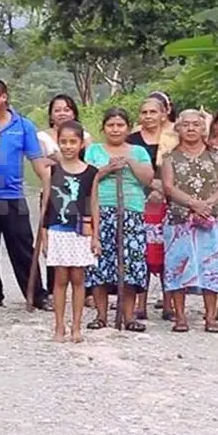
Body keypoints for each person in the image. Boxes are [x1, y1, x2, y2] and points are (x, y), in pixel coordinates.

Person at [0, 79, 51, 309]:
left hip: (13, 196)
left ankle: (36, 294)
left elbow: (37, 161)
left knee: (22, 247)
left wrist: (49, 186)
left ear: (3, 97)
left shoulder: (23, 126)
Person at [84, 107, 154, 332]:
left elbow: (148, 179)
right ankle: (101, 315)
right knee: (100, 263)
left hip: (132, 210)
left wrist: (130, 163)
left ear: (128, 127)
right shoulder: (93, 150)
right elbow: (86, 178)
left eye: (120, 125)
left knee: (131, 263)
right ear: (103, 128)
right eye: (111, 125)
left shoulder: (139, 151)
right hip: (102, 209)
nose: (115, 129)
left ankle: (129, 316)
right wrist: (106, 170)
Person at [162, 110, 218, 333]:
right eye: (185, 125)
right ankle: (180, 317)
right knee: (177, 266)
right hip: (179, 220)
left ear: (204, 129)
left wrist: (207, 205)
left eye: (196, 125)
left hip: (211, 219)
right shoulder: (169, 157)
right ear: (178, 129)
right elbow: (169, 187)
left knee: (211, 266)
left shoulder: (216, 155)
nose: (191, 128)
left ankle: (211, 317)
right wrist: (194, 204)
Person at [39, 121, 98, 342]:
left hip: (82, 230)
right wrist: (44, 235)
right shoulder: (52, 170)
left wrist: (96, 236)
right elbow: (46, 205)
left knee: (78, 278)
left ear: (82, 144)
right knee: (60, 279)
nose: (68, 146)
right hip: (57, 229)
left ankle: (76, 327)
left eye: (73, 142)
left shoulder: (91, 173)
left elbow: (93, 204)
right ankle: (59, 326)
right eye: (63, 142)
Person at [127, 95, 178, 321]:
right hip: (139, 200)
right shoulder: (132, 140)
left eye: (153, 112)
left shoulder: (173, 138)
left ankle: (169, 303)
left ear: (163, 114)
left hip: (170, 201)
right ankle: (141, 303)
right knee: (142, 251)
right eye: (144, 112)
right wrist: (150, 186)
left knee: (169, 251)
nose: (148, 116)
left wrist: (164, 188)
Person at [38, 94, 91, 162]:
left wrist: (60, 159)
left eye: (66, 110)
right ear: (51, 115)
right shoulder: (41, 137)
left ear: (74, 114)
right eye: (57, 110)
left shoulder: (85, 136)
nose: (62, 113)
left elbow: (89, 164)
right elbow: (40, 165)